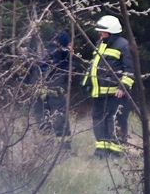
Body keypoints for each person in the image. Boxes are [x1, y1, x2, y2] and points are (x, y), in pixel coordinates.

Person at [82, 15, 135, 158]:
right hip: (99, 93)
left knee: (117, 121)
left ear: (111, 31)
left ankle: (117, 152)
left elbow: (129, 69)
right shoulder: (100, 43)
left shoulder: (123, 45)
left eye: (102, 31)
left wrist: (122, 86)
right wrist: (87, 82)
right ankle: (101, 151)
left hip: (116, 94)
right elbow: (94, 65)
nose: (99, 33)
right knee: (99, 120)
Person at [30, 30, 72, 141]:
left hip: (46, 79)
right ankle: (57, 146)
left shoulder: (36, 36)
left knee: (50, 113)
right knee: (48, 113)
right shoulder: (58, 36)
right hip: (46, 79)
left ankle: (58, 145)